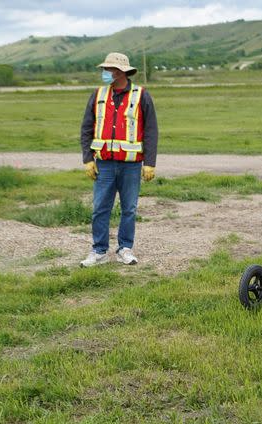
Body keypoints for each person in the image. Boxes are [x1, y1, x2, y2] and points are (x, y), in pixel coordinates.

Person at [79, 52, 158, 267]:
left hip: (131, 165)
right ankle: (99, 251)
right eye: (104, 69)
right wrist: (88, 158)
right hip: (103, 164)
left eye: (108, 69)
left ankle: (125, 248)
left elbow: (151, 131)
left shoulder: (141, 95)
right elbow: (86, 128)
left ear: (120, 72)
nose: (105, 73)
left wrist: (149, 162)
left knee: (129, 209)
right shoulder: (97, 95)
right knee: (100, 208)